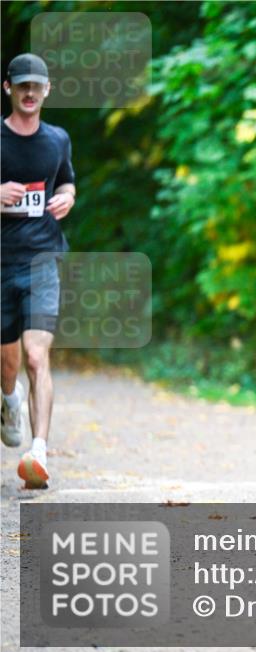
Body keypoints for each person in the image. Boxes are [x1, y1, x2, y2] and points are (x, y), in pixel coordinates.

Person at [1, 53, 77, 488]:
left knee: (35, 355)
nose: (30, 92)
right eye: (22, 85)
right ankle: (9, 400)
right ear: (8, 89)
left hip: (42, 258)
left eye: (38, 86)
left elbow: (66, 180)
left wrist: (68, 196)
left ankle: (39, 453)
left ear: (47, 90)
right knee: (7, 364)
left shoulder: (57, 140)